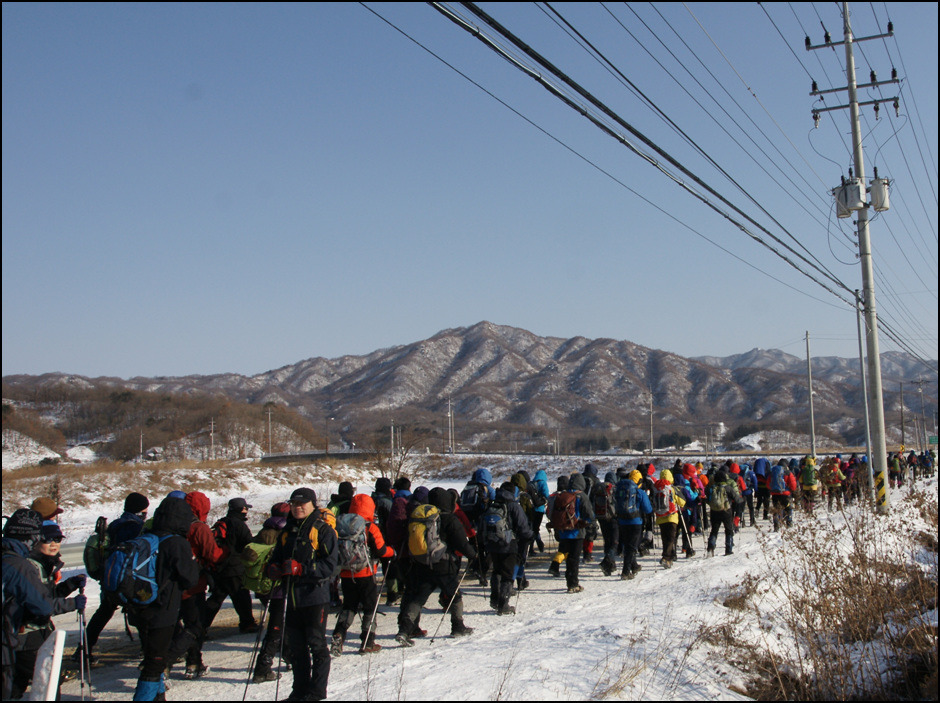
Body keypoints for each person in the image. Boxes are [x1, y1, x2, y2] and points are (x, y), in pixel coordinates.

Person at [3, 515, 86, 700]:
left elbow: (45, 596)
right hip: (26, 635)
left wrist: (69, 585)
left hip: (20, 636)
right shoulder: (24, 565)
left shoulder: (35, 563)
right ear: (32, 539)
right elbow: (42, 605)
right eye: (47, 539)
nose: (54, 543)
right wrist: (72, 604)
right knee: (48, 683)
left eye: (58, 538)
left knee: (17, 683)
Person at [267, 487, 338, 702]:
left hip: (315, 596)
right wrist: (273, 568)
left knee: (317, 646)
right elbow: (276, 558)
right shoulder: (287, 531)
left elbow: (331, 566)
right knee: (296, 648)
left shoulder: (322, 530)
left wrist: (301, 569)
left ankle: (316, 693)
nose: (297, 508)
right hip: (292, 598)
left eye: (302, 504)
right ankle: (299, 692)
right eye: (294, 504)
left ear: (312, 505)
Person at [130, 495, 200, 702]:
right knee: (154, 663)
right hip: (162, 611)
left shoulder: (147, 537)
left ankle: (158, 697)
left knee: (153, 657)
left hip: (139, 606)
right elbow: (189, 579)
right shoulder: (177, 543)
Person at [74, 491, 150, 664]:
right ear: (140, 510)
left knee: (104, 612)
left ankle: (83, 649)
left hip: (110, 576)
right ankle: (148, 653)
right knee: (141, 612)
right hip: (129, 578)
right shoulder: (137, 528)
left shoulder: (116, 524)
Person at [395, 488, 477, 646]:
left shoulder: (421, 518)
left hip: (422, 564)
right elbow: (461, 542)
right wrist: (473, 555)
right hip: (444, 566)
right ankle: (458, 626)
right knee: (455, 596)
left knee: (418, 598)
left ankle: (404, 630)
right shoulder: (449, 519)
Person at [165, 491, 226, 680]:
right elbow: (213, 555)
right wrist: (225, 551)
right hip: (193, 584)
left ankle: (191, 661)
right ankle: (182, 662)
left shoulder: (170, 524)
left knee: (171, 625)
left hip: (169, 584)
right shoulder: (199, 528)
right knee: (195, 626)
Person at [331, 494, 394, 656]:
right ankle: (368, 641)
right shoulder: (369, 526)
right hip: (366, 573)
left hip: (346, 573)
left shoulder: (340, 525)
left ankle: (338, 633)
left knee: (349, 605)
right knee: (370, 607)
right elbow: (381, 550)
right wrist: (392, 552)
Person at [205, 497, 258, 634]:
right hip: (235, 567)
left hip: (219, 566)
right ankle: (247, 624)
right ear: (242, 509)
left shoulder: (222, 521)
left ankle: (199, 626)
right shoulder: (239, 524)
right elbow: (249, 543)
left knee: (216, 598)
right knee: (242, 596)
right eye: (246, 508)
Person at [482, 482, 533, 615]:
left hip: (493, 543)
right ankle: (503, 604)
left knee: (497, 571)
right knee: (507, 574)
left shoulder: (493, 504)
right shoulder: (513, 505)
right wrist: (529, 536)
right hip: (509, 544)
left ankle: (494, 599)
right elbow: (522, 525)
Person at [547, 473, 595, 593]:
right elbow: (590, 514)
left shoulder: (563, 495)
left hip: (563, 531)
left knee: (567, 556)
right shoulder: (581, 496)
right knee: (574, 558)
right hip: (577, 532)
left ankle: (569, 580)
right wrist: (589, 524)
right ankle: (573, 584)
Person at [615, 469, 653, 580]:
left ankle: (634, 566)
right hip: (635, 522)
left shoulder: (620, 489)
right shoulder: (639, 492)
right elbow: (648, 509)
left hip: (622, 521)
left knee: (627, 545)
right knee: (631, 547)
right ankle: (626, 572)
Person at [652, 469, 685, 568]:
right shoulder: (672, 488)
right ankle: (665, 557)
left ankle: (668, 559)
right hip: (671, 516)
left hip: (660, 517)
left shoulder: (656, 488)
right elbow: (682, 502)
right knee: (671, 539)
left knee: (665, 538)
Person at [706, 469, 742, 557]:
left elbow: (707, 499)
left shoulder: (712, 488)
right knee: (728, 530)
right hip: (726, 511)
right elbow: (737, 499)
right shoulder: (728, 488)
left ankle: (710, 548)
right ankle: (728, 549)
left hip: (714, 511)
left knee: (714, 530)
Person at [769, 459, 798, 531]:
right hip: (785, 494)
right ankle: (789, 523)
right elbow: (793, 485)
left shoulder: (773, 472)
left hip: (775, 494)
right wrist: (791, 490)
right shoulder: (788, 473)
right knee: (788, 508)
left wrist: (773, 490)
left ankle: (776, 524)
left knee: (776, 509)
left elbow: (768, 483)